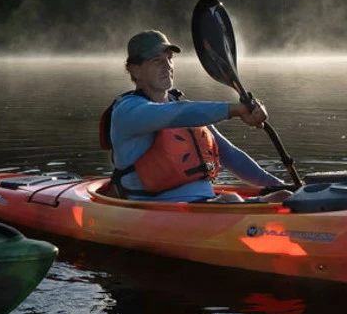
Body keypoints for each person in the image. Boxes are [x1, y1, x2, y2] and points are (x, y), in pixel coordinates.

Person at [102, 29, 290, 203]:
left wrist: (281, 186)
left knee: (283, 196)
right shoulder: (128, 111)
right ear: (135, 69)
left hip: (205, 206)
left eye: (169, 58)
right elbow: (173, 114)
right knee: (232, 199)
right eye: (157, 61)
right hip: (156, 211)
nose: (167, 66)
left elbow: (231, 156)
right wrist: (235, 109)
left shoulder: (185, 112)